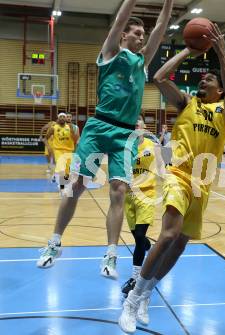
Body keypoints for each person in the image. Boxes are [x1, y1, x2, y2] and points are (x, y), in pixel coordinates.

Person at [36, 0, 174, 279]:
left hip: (124, 134)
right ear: (123, 35)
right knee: (75, 186)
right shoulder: (111, 52)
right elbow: (119, 20)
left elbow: (160, 28)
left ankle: (111, 253)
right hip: (99, 127)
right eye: (136, 33)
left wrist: (169, 2)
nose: (141, 36)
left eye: (142, 34)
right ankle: (54, 242)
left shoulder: (142, 61)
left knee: (118, 191)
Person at [118, 23, 225, 333]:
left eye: (211, 78)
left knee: (181, 244)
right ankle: (133, 299)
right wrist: (188, 50)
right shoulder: (188, 103)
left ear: (220, 90)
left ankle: (146, 292)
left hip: (203, 183)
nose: (205, 79)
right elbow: (158, 77)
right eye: (204, 77)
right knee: (169, 234)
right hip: (178, 174)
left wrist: (221, 52)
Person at [121, 117, 162, 298]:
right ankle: (149, 247)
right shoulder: (124, 146)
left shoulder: (152, 144)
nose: (136, 126)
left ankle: (135, 278)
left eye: (139, 123)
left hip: (147, 194)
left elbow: (166, 164)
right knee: (140, 239)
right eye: (134, 123)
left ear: (144, 127)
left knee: (138, 237)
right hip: (128, 197)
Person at [44, 113, 78, 192]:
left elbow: (75, 140)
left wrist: (72, 131)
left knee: (67, 170)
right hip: (58, 150)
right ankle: (61, 186)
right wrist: (48, 146)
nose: (62, 118)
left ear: (66, 119)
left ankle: (60, 181)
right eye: (60, 117)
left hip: (69, 151)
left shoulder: (70, 127)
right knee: (61, 167)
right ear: (58, 118)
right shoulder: (53, 128)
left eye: (64, 117)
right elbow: (45, 138)